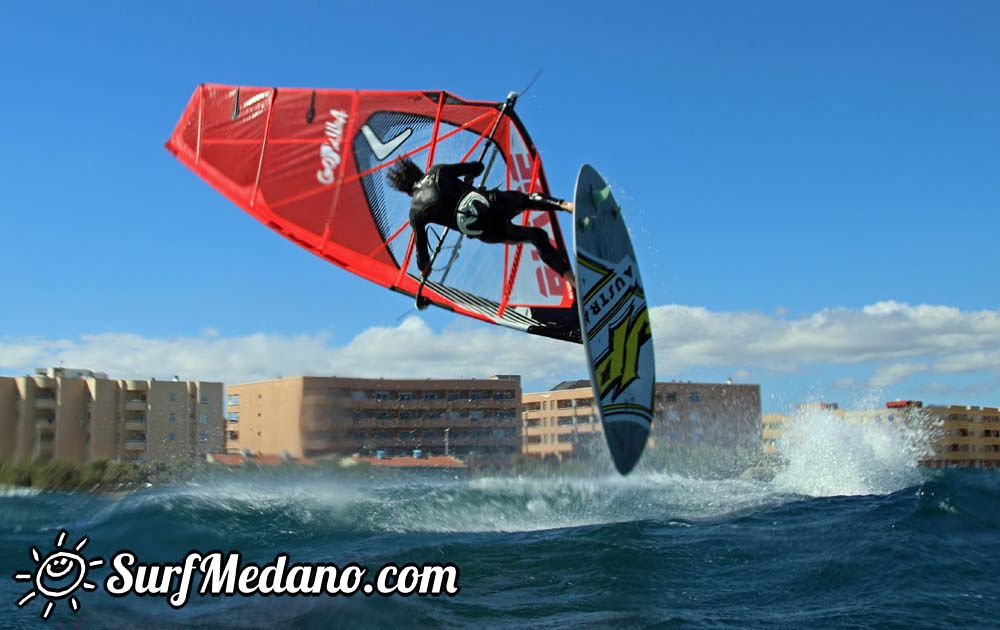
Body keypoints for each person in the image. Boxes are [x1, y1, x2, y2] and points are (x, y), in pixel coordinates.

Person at [386, 157, 575, 285]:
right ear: (418, 170)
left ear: (405, 191)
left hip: (487, 230)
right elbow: (478, 167)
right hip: (492, 202)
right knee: (528, 199)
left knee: (537, 236)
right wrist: (469, 178)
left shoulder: (416, 212)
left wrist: (424, 271)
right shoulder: (438, 171)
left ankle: (571, 280)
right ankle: (567, 206)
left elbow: (422, 255)